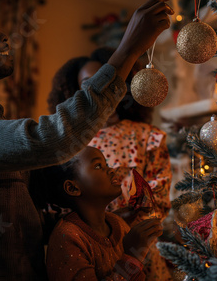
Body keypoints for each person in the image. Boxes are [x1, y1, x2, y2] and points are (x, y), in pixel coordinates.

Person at [0, 0, 173, 280]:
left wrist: (105, 224)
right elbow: (50, 139)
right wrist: (128, 50)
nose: (3, 36)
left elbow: (25, 222)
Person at [48, 47, 172, 280]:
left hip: (140, 250)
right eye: (88, 84)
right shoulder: (69, 145)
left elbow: (159, 194)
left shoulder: (148, 137)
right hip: (90, 247)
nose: (99, 90)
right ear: (75, 91)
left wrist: (130, 227)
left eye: (108, 81)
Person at [32, 146, 163, 280]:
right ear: (72, 188)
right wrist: (132, 257)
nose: (111, 170)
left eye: (106, 164)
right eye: (98, 166)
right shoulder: (67, 238)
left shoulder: (117, 223)